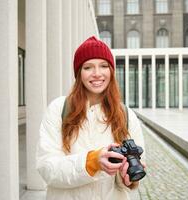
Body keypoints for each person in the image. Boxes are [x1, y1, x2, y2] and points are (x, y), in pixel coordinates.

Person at [36, 36, 145, 200]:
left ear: (111, 71)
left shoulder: (126, 115)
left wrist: (128, 179)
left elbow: (129, 183)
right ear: (79, 73)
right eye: (88, 67)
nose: (97, 74)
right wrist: (92, 162)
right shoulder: (58, 109)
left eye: (103, 66)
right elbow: (47, 168)